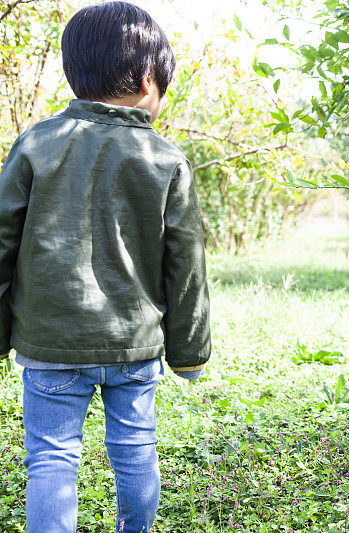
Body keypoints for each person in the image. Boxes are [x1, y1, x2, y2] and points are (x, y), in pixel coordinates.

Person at [0, 2, 211, 531]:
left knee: (51, 459)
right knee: (135, 448)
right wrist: (188, 353)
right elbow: (185, 266)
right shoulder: (167, 160)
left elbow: (1, 245)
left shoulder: (35, 146)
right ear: (147, 80)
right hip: (132, 343)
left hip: (50, 342)